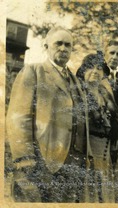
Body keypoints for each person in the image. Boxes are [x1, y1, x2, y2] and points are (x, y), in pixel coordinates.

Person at [6, 27, 89, 202]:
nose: (63, 48)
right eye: (58, 43)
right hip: (42, 161)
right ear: (46, 46)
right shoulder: (33, 71)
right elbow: (19, 117)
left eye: (68, 45)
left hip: (73, 165)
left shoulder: (76, 81)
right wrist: (24, 158)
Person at [76, 53, 118, 203]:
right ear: (83, 71)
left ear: (103, 74)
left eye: (99, 68)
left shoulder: (105, 94)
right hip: (87, 148)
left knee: (103, 191)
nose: (95, 71)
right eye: (91, 67)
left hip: (104, 151)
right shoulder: (78, 92)